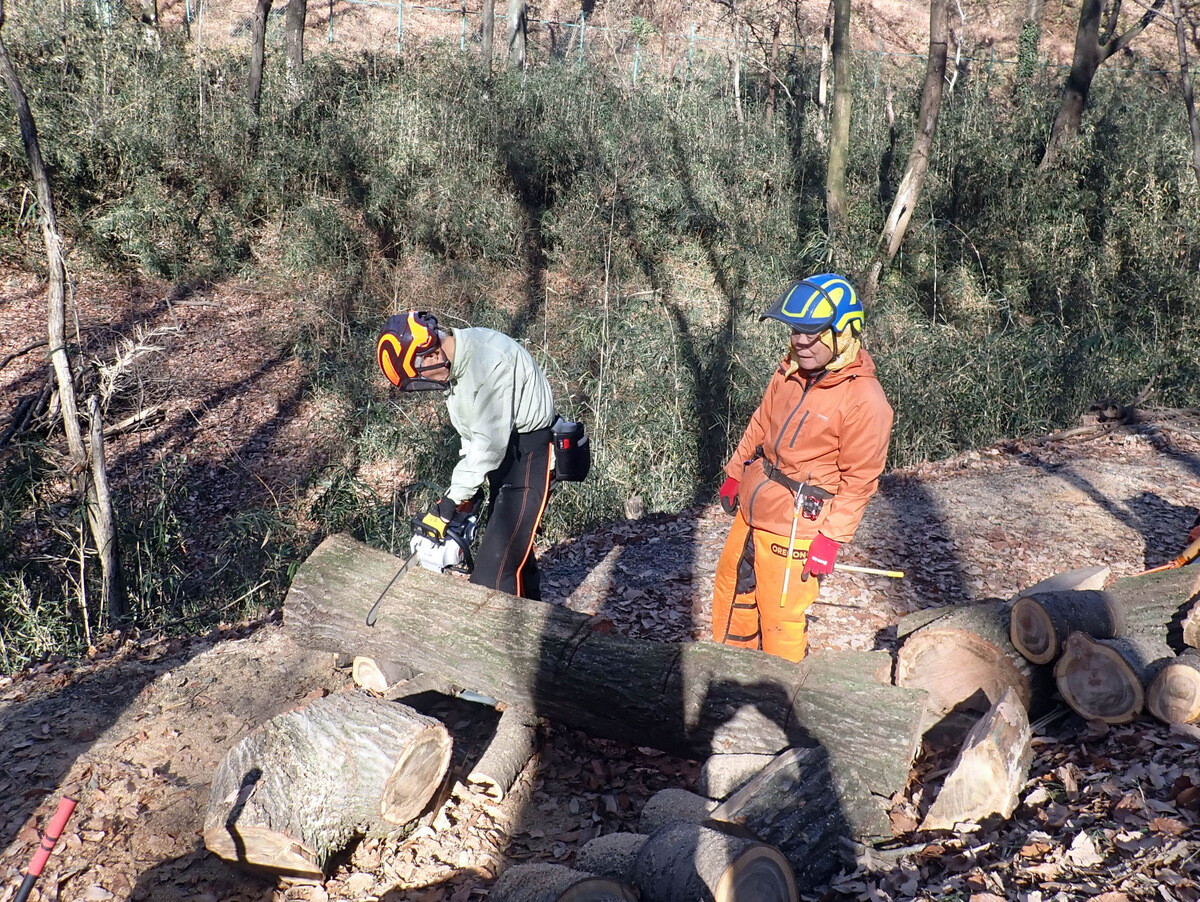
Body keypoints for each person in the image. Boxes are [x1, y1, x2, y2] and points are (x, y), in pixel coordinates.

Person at [711, 274, 893, 662]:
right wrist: (735, 472)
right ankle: (729, 672)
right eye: (796, 331)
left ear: (844, 333)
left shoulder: (865, 400)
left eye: (813, 333)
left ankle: (781, 689)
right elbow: (760, 423)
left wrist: (831, 539)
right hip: (755, 504)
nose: (801, 342)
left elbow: (860, 480)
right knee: (733, 591)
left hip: (800, 522)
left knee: (781, 617)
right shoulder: (789, 372)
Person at [376, 311, 557, 600]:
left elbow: (488, 444)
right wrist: (463, 495)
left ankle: (499, 626)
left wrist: (451, 500)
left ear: (431, 354)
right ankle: (533, 620)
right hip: (502, 457)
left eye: (421, 374)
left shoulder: (489, 361)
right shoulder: (458, 367)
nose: (426, 382)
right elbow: (472, 436)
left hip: (529, 456)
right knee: (513, 551)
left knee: (495, 572)